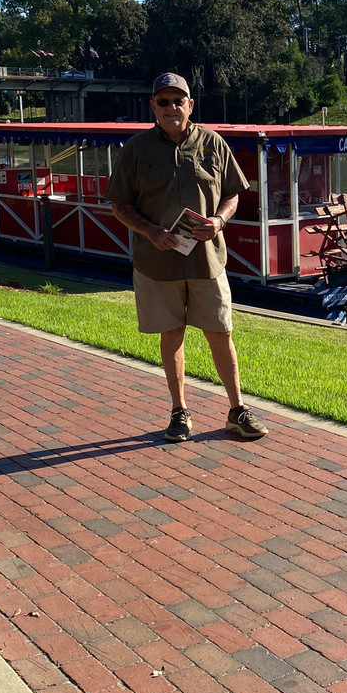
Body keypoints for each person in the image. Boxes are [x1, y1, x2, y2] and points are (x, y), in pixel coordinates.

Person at [106, 72, 269, 443]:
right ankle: (179, 412)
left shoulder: (212, 143)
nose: (171, 108)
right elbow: (120, 205)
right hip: (157, 261)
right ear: (153, 107)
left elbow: (233, 194)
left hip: (207, 260)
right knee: (172, 334)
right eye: (163, 101)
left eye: (178, 101)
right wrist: (151, 232)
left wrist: (219, 220)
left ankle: (237, 410)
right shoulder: (136, 149)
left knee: (220, 332)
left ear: (190, 105)